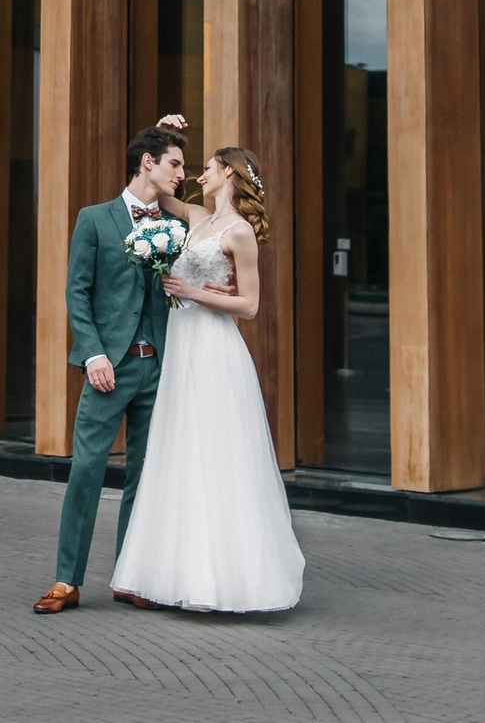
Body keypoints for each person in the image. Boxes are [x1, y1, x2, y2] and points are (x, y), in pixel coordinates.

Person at [107, 142, 307, 613]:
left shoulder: (239, 233)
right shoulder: (198, 219)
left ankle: (225, 578)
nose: (199, 176)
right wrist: (161, 132)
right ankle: (172, 570)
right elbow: (154, 188)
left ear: (230, 175)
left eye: (209, 170)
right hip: (184, 347)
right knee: (180, 448)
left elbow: (251, 306)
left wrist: (196, 292)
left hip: (215, 350)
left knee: (216, 451)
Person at [33, 121, 187, 614]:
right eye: (175, 164)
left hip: (157, 367)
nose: (181, 173)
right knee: (87, 469)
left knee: (144, 474)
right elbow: (76, 292)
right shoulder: (94, 219)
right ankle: (66, 580)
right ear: (148, 163)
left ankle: (130, 576)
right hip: (109, 368)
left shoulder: (177, 225)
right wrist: (94, 353)